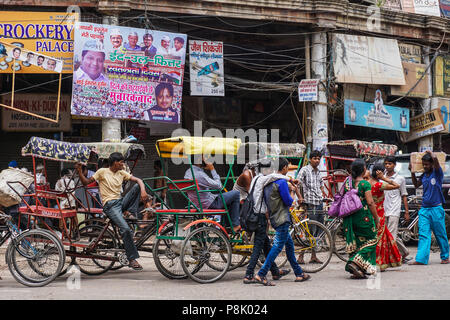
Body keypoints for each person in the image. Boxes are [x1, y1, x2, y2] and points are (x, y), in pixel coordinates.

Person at [75, 152, 149, 271]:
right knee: (125, 229)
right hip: (110, 206)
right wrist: (79, 171)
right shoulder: (102, 172)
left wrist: (143, 190)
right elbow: (86, 183)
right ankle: (132, 259)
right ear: (115, 163)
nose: (123, 164)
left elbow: (139, 180)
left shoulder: (121, 173)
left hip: (120, 203)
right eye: (121, 162)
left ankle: (129, 211)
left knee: (137, 187)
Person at [254, 157, 310, 286]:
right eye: (287, 167)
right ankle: (261, 274)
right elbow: (288, 201)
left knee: (289, 247)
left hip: (274, 217)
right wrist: (293, 192)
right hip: (282, 218)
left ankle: (299, 273)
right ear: (284, 168)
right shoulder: (282, 182)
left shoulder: (268, 182)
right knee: (278, 247)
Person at [409, 151, 450, 265]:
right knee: (423, 233)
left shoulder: (438, 173)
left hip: (436, 209)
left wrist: (432, 154)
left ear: (432, 164)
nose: (425, 166)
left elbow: (436, 161)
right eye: (424, 164)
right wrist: (412, 172)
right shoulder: (424, 175)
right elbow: (416, 185)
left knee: (440, 233)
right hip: (424, 209)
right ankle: (421, 259)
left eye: (427, 164)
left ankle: (445, 257)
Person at [183, 156, 241, 233]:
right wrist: (212, 169)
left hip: (197, 204)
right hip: (210, 205)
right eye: (204, 158)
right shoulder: (199, 174)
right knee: (236, 194)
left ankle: (227, 226)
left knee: (227, 198)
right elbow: (219, 186)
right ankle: (235, 225)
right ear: (198, 160)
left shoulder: (188, 172)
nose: (207, 160)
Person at [343, 159, 379, 279]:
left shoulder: (348, 183)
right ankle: (354, 262)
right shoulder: (365, 184)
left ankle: (358, 270)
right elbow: (370, 202)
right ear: (363, 169)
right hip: (363, 217)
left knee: (358, 242)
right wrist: (377, 218)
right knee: (373, 240)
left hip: (350, 218)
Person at [366, 162, 402, 271]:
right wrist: (384, 178)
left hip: (368, 213)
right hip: (379, 214)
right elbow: (397, 185)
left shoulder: (366, 183)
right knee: (380, 239)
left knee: (372, 237)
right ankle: (378, 262)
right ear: (380, 172)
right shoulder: (379, 185)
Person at [298, 150, 327, 264]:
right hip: (310, 203)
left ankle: (313, 256)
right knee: (309, 230)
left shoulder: (318, 172)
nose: (317, 160)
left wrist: (324, 197)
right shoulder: (304, 170)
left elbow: (321, 186)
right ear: (310, 159)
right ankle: (301, 256)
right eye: (315, 158)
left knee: (317, 232)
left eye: (318, 158)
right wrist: (300, 198)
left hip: (319, 202)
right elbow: (297, 184)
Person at [384, 156, 411, 262]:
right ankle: (404, 252)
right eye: (386, 164)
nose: (387, 166)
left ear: (394, 165)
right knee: (389, 234)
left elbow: (404, 195)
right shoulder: (382, 177)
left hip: (394, 209)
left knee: (391, 235)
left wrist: (407, 212)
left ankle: (392, 258)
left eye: (389, 164)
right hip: (384, 209)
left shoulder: (400, 179)